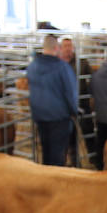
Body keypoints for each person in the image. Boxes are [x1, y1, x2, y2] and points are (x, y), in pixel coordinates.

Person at [26, 33, 80, 165]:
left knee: (46, 151)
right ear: (56, 48)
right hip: (59, 117)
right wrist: (74, 111)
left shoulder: (32, 67)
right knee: (58, 154)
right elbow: (70, 93)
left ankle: (46, 175)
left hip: (40, 116)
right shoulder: (62, 67)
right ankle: (56, 176)